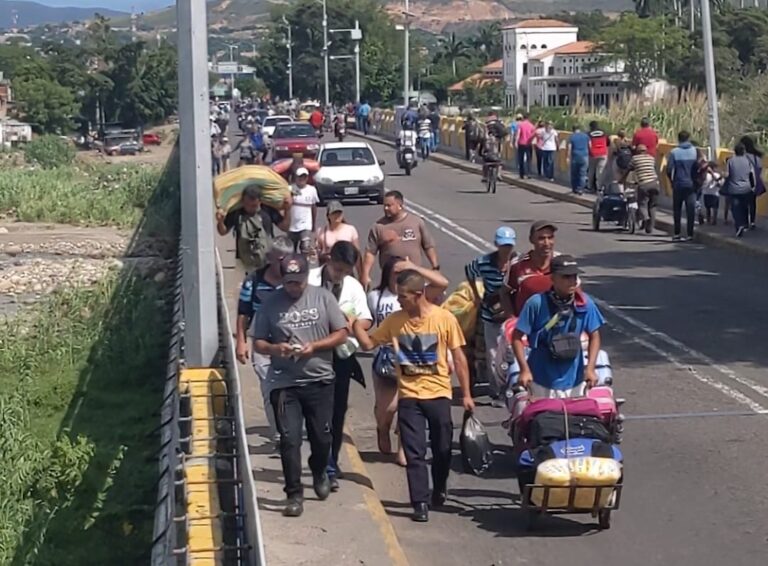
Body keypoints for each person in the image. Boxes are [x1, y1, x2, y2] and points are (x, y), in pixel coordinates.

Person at [353, 269, 475, 523]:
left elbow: (460, 358)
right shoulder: (395, 321)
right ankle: (419, 501)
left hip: (439, 393)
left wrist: (466, 394)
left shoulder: (444, 319)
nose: (399, 301)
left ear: (419, 295)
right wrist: (355, 324)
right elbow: (368, 345)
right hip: (409, 396)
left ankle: (439, 486)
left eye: (403, 296)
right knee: (414, 451)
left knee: (442, 448)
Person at [250, 254, 349, 518]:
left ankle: (318, 469)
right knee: (289, 440)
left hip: (319, 379)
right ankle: (293, 494)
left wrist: (314, 347)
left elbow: (341, 333)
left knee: (322, 436)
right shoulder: (270, 304)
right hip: (285, 383)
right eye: (289, 282)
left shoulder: (323, 298)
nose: (294, 287)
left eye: (298, 282)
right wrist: (276, 348)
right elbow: (258, 341)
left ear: (307, 277)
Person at [367, 257, 449, 467]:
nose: (399, 276)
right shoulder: (376, 296)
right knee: (388, 409)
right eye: (395, 273)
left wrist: (413, 267)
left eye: (402, 272)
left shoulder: (417, 294)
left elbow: (442, 283)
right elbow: (368, 327)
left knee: (408, 404)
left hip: (415, 355)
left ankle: (405, 448)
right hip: (387, 357)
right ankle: (383, 428)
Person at [308, 242, 373, 491]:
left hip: (341, 358)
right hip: (312, 356)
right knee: (316, 415)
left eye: (346, 271)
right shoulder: (310, 280)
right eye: (338, 269)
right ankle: (320, 461)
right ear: (329, 259)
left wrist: (354, 321)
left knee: (336, 414)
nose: (340, 275)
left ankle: (330, 466)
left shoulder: (353, 286)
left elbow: (367, 319)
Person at [512, 255, 605, 399]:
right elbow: (517, 337)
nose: (572, 281)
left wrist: (591, 368)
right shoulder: (536, 303)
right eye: (566, 277)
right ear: (553, 278)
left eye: (574, 276)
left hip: (575, 381)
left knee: (573, 421)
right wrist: (524, 370)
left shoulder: (585, 303)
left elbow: (595, 335)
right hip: (540, 380)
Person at [235, 237, 294, 443]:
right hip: (263, 344)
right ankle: (280, 434)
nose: (286, 265)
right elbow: (243, 313)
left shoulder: (295, 281)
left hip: (290, 343)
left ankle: (291, 426)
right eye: (281, 260)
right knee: (271, 387)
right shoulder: (253, 281)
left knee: (291, 389)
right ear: (270, 258)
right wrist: (241, 342)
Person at [466, 227, 517, 400]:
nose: (506, 249)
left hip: (514, 316)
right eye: (503, 245)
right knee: (494, 355)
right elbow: (469, 271)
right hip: (491, 315)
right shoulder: (484, 263)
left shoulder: (518, 263)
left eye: (509, 246)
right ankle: (497, 392)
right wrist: (476, 295)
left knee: (517, 353)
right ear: (496, 244)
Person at [361, 190, 439, 290]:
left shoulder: (416, 222)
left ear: (400, 205)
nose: (386, 208)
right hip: (391, 279)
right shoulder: (378, 227)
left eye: (389, 205)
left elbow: (428, 246)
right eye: (384, 206)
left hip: (413, 277)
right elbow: (370, 253)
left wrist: (435, 267)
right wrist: (365, 274)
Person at [216, 185, 289, 271]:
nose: (250, 208)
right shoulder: (237, 212)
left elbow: (284, 227)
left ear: (260, 201)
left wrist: (288, 210)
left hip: (266, 260)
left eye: (254, 205)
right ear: (242, 201)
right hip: (243, 262)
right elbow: (223, 232)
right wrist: (220, 221)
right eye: (247, 205)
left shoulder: (268, 210)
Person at [500, 221, 559, 318]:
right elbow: (504, 292)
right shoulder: (518, 264)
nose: (546, 243)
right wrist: (511, 318)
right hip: (525, 327)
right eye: (541, 238)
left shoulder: (561, 263)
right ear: (531, 240)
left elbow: (577, 294)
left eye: (550, 238)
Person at [665, 130, 699, 241]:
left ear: (678, 139)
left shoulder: (674, 152)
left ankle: (677, 233)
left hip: (678, 184)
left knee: (677, 209)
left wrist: (671, 181)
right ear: (688, 138)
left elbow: (669, 169)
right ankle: (690, 234)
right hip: (691, 184)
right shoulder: (695, 151)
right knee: (690, 210)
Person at [315, 200, 361, 271]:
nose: (337, 216)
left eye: (339, 213)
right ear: (328, 215)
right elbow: (317, 253)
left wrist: (361, 273)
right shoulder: (321, 232)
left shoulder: (350, 229)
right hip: (329, 269)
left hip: (346, 268)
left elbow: (357, 253)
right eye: (334, 213)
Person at [724, 142, 757, 238]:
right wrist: (753, 186)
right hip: (746, 188)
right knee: (745, 207)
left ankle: (739, 225)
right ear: (744, 151)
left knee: (736, 209)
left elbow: (727, 174)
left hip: (734, 189)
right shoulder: (748, 161)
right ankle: (745, 224)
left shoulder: (730, 161)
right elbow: (752, 175)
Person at [627, 144, 661, 233]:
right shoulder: (651, 158)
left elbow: (629, 169)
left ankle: (645, 218)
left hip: (644, 184)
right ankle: (650, 228)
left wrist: (622, 179)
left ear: (637, 151)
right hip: (655, 183)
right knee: (653, 206)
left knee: (642, 204)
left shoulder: (635, 158)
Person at [288, 167, 320, 253]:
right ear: (296, 177)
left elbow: (314, 207)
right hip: (292, 225)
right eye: (300, 177)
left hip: (306, 225)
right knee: (291, 250)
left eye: (304, 177)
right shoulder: (290, 189)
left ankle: (305, 265)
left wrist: (313, 224)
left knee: (305, 248)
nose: (302, 179)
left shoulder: (312, 190)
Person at [740, 135, 765, 230]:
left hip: (743, 182)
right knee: (752, 203)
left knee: (744, 203)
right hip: (754, 183)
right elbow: (760, 169)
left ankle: (745, 222)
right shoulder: (756, 157)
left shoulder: (742, 157)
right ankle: (753, 222)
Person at [587, 121, 609, 193]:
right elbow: (608, 142)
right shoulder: (604, 132)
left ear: (591, 127)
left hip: (593, 154)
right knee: (600, 171)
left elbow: (588, 143)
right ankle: (599, 188)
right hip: (603, 153)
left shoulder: (589, 134)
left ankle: (589, 187)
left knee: (591, 170)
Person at [567, 124, 589, 194]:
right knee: (582, 174)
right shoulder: (586, 136)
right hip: (585, 156)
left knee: (574, 174)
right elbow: (590, 146)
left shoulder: (571, 137)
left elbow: (569, 148)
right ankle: (581, 189)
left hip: (575, 157)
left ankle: (575, 189)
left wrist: (567, 157)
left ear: (573, 129)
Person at [701, 161, 724, 225]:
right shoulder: (717, 175)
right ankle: (714, 220)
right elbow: (720, 184)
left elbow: (703, 183)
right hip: (715, 193)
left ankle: (708, 220)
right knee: (715, 208)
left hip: (706, 193)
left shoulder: (705, 175)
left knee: (707, 208)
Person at [514, 113, 535, 179]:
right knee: (529, 159)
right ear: (529, 118)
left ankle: (521, 174)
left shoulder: (520, 125)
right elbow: (533, 135)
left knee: (521, 159)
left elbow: (518, 134)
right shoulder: (532, 126)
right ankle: (529, 173)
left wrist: (516, 142)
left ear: (523, 118)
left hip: (521, 143)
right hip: (528, 144)